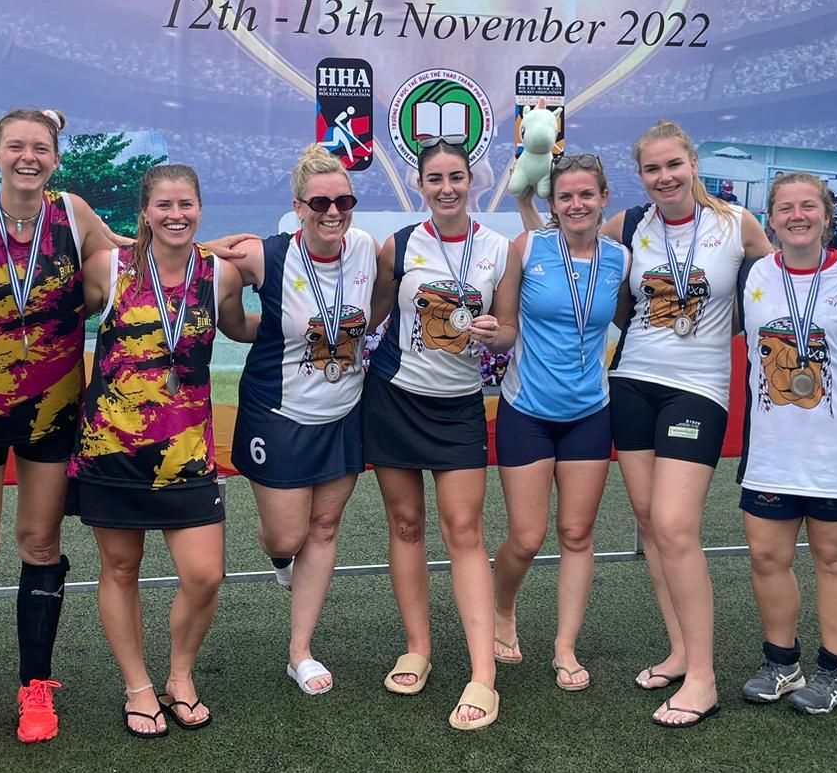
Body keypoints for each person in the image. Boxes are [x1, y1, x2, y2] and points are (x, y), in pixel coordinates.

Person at [0, 109, 126, 750]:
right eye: (17, 146)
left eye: (41, 148)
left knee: (40, 544)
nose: (29, 157)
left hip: (55, 412)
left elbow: (138, 253)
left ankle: (35, 683)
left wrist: (222, 244)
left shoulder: (73, 213)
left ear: (56, 158)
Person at [598, 120, 774, 728]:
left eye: (674, 164)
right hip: (632, 384)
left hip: (697, 390)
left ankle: (703, 677)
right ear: (641, 176)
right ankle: (679, 650)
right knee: (650, 524)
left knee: (676, 525)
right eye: (652, 169)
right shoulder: (625, 227)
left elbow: (790, 280)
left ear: (693, 164)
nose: (665, 177)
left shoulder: (736, 224)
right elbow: (577, 263)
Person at [68, 164, 253, 736]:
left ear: (200, 208)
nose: (177, 215)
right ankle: (138, 686)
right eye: (164, 206)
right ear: (144, 212)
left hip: (188, 452)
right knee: (120, 568)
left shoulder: (221, 273)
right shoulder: (108, 268)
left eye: (187, 205)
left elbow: (241, 328)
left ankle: (180, 674)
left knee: (205, 575)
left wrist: (303, 326)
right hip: (111, 448)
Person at [366, 140, 517, 730]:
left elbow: (507, 331)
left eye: (456, 176)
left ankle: (484, 675)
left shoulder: (498, 248)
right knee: (406, 526)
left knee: (464, 532)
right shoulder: (399, 245)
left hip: (458, 408)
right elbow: (373, 314)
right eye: (435, 178)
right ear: (420, 184)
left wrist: (492, 334)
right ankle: (418, 649)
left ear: (473, 180)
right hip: (394, 399)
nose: (447, 187)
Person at [224, 146, 377, 696]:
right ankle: (276, 554)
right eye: (320, 202)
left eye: (344, 201)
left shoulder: (365, 250)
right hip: (278, 413)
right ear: (298, 206)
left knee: (325, 528)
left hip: (343, 413)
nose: (333, 212)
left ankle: (300, 652)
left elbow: (375, 308)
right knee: (287, 535)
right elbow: (199, 259)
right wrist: (240, 321)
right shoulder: (266, 256)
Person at [735, 173, 837, 714]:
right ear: (769, 219)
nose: (798, 216)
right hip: (774, 450)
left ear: (827, 215)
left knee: (835, 558)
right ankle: (781, 663)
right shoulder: (752, 276)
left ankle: (835, 671)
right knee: (767, 556)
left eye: (809, 206)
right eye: (786, 208)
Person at [496, 155, 630, 691]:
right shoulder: (527, 248)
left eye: (586, 195)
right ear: (553, 204)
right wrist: (491, 334)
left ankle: (565, 646)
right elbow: (506, 327)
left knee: (577, 533)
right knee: (526, 539)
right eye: (565, 196)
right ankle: (502, 608)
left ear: (603, 200)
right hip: (527, 410)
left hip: (589, 415)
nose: (576, 205)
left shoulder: (620, 258)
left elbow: (632, 316)